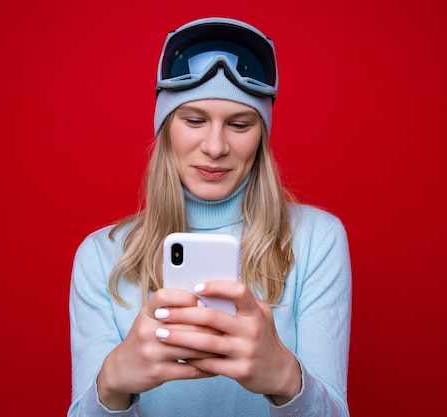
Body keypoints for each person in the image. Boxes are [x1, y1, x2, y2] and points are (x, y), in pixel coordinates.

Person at [68, 17, 352, 416]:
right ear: (166, 128)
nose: (216, 147)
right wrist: (111, 387)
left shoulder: (317, 240)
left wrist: (287, 379)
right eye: (194, 120)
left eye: (239, 124)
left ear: (262, 135)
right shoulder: (101, 256)